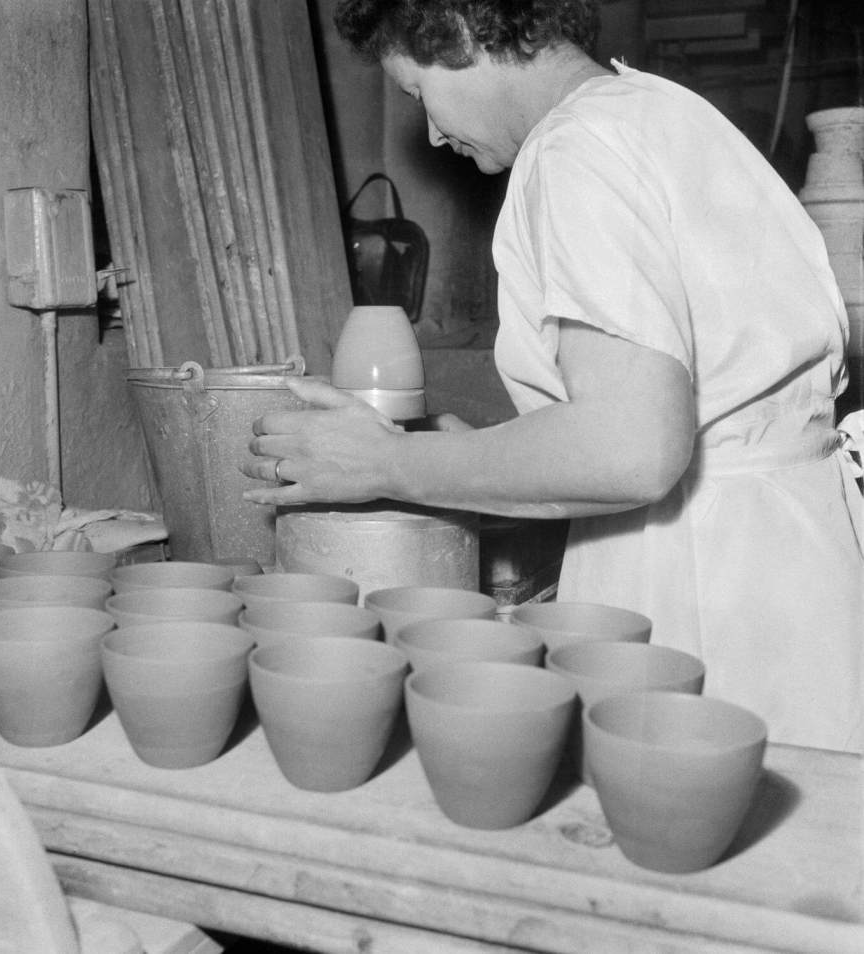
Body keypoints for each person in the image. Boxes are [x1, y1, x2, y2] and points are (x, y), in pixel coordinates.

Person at [242, 0, 863, 752]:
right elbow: (688, 410)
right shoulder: (669, 113)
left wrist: (387, 462)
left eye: (417, 93)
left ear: (462, 32)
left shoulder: (576, 152)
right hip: (793, 565)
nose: (433, 132)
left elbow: (629, 450)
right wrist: (488, 462)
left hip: (704, 587)